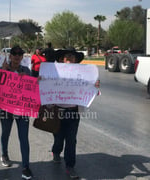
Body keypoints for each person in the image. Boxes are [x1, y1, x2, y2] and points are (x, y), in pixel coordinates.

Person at [49, 48, 100, 179]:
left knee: (71, 140)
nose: (70, 59)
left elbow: (89, 89)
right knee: (59, 137)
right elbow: (46, 86)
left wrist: (94, 85)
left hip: (73, 112)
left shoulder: (81, 75)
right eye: (67, 57)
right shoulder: (54, 73)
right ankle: (56, 151)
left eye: (73, 57)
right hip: (58, 112)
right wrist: (41, 80)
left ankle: (70, 166)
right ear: (61, 59)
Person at [0, 45, 33, 180]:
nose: (17, 56)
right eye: (15, 53)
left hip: (22, 110)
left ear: (22, 57)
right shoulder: (2, 69)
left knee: (23, 137)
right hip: (6, 109)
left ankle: (26, 167)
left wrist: (26, 79)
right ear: (10, 56)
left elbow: (31, 90)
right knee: (5, 133)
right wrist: (4, 72)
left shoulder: (26, 71)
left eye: (20, 54)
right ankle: (4, 154)